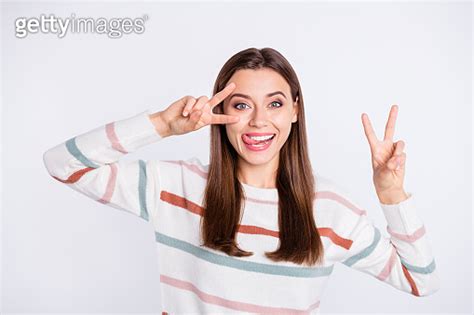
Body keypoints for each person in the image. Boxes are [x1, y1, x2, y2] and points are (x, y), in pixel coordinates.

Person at [43, 47, 439, 314]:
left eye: (275, 103)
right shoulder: (176, 187)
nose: (258, 121)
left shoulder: (332, 211)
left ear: (296, 111)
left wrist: (391, 192)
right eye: (241, 105)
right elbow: (62, 164)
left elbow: (421, 281)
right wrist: (162, 125)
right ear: (220, 110)